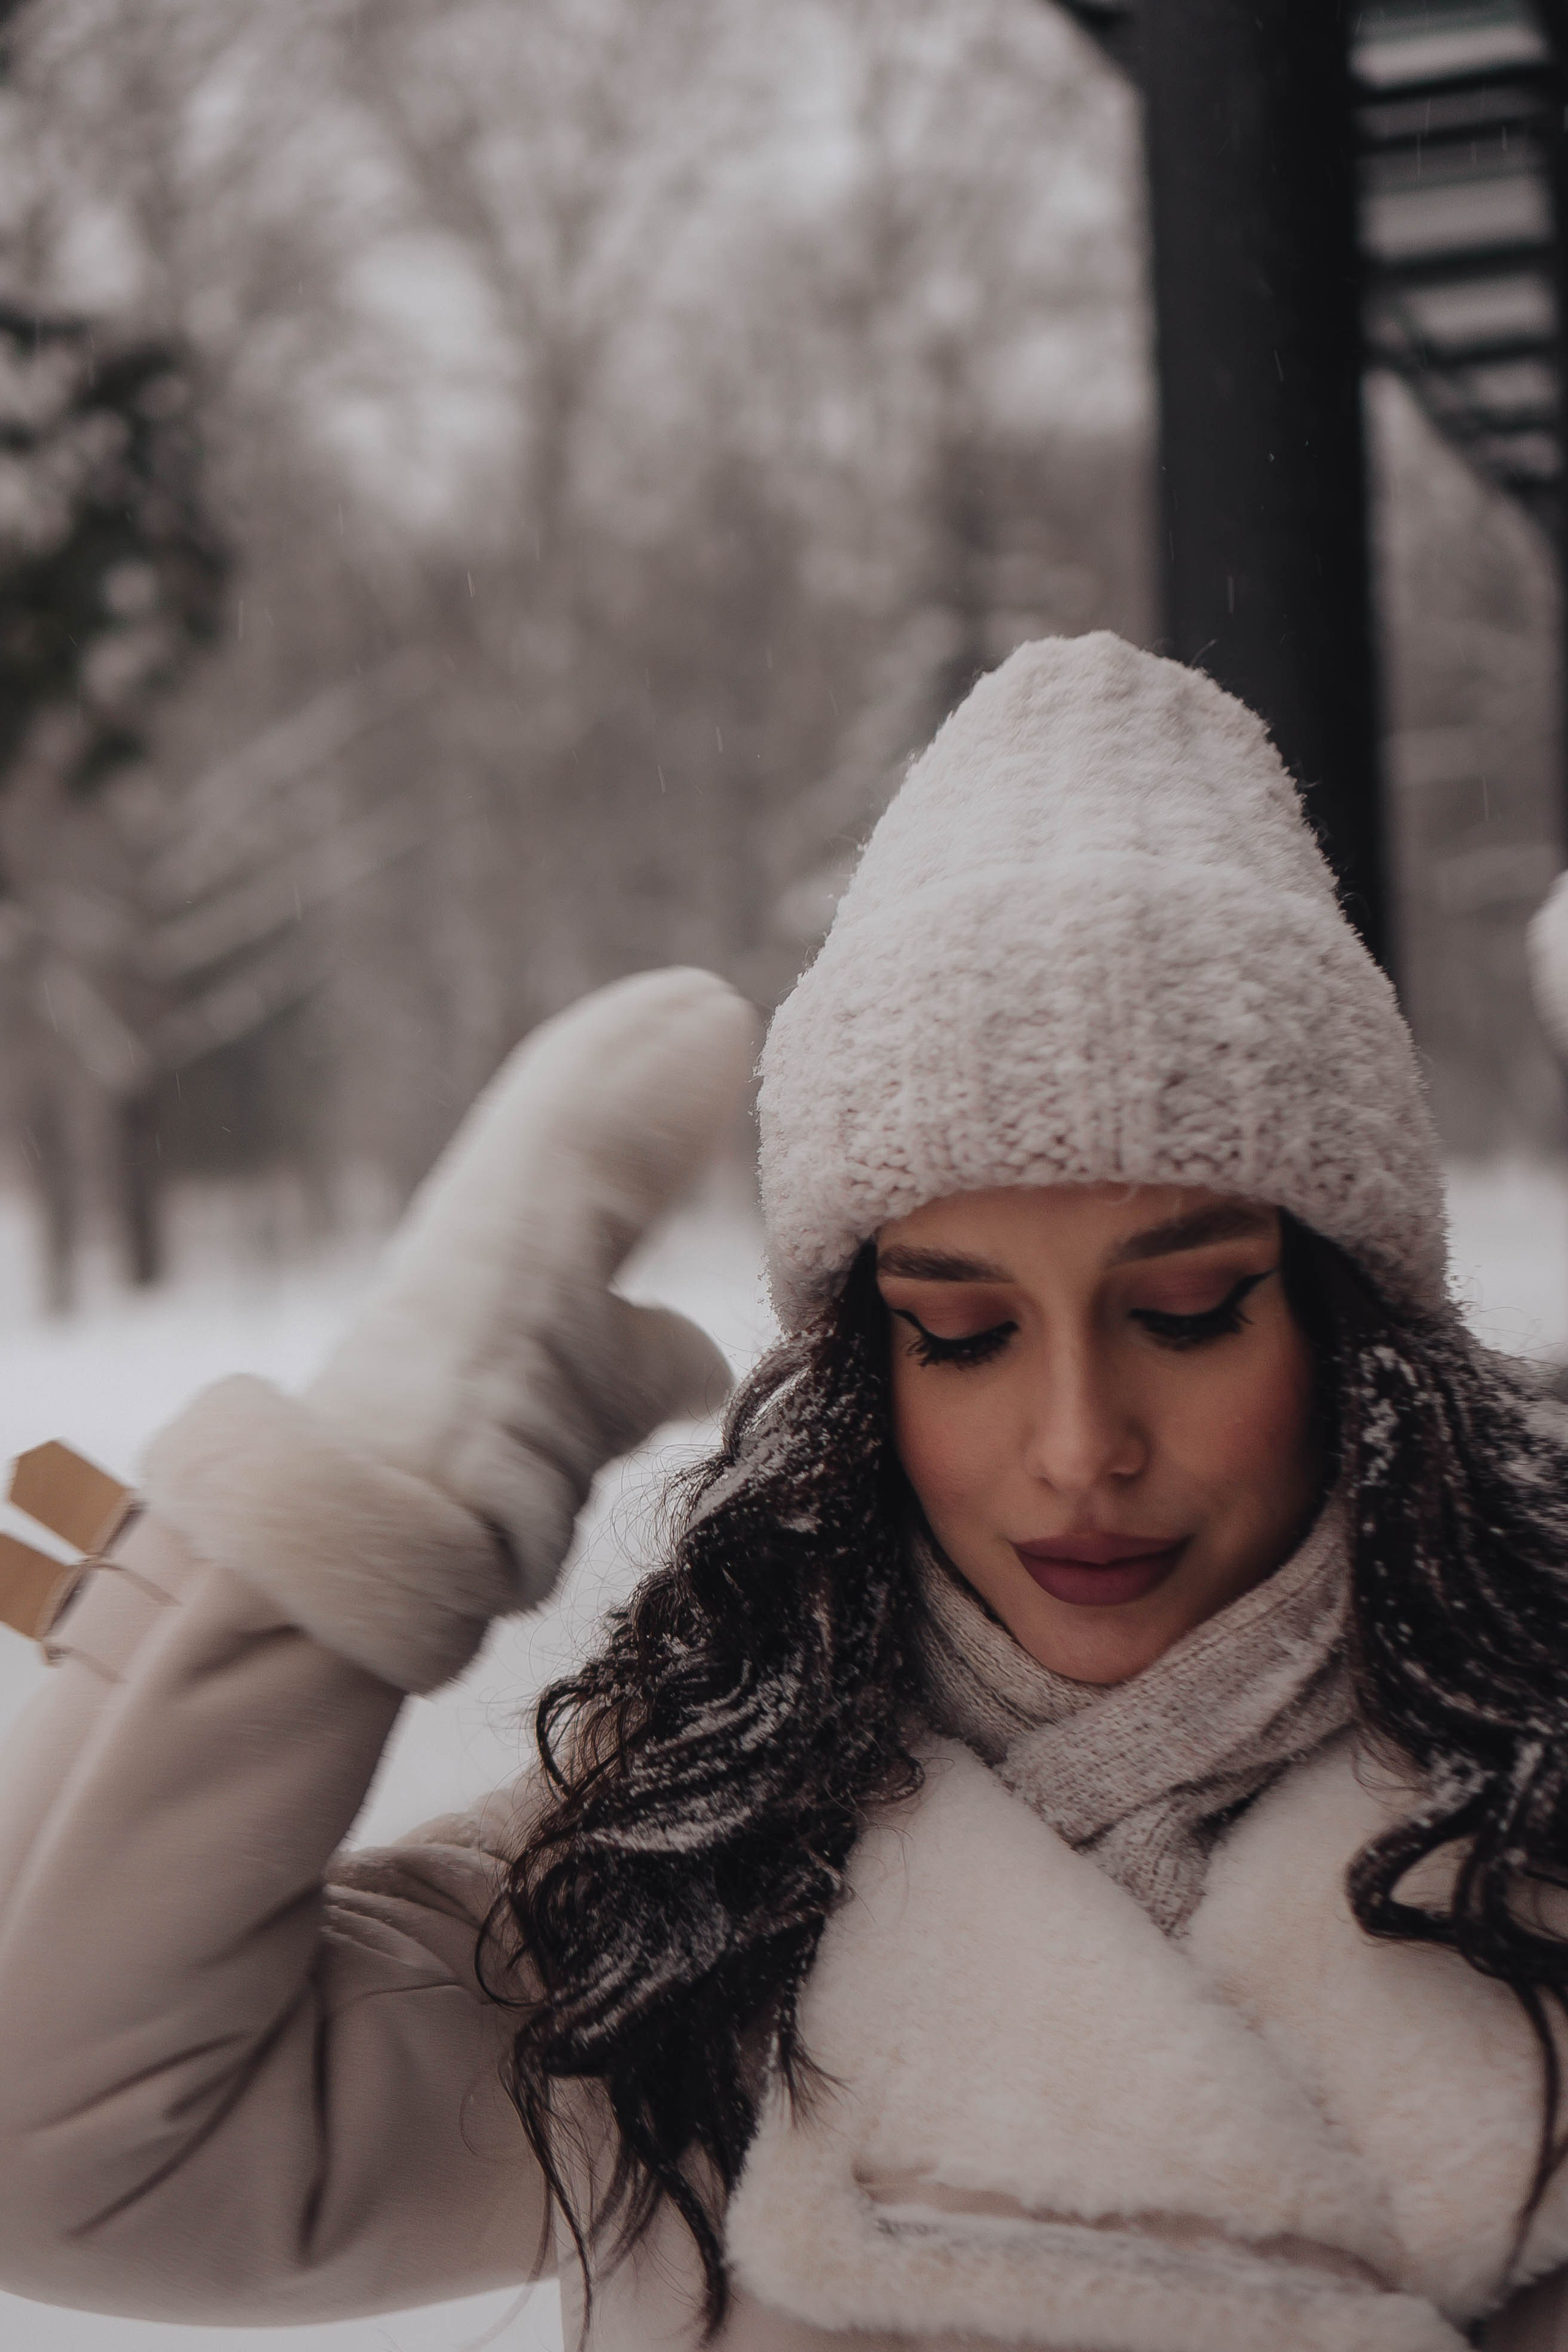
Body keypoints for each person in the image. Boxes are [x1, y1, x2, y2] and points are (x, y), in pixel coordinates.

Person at [1, 631, 1567, 2352]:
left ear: (1353, 1334)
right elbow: (72, 2158)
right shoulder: (706, 1865)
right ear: (858, 1376)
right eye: (959, 1334)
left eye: (1185, 1314)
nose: (1077, 1446)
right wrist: (337, 1542)